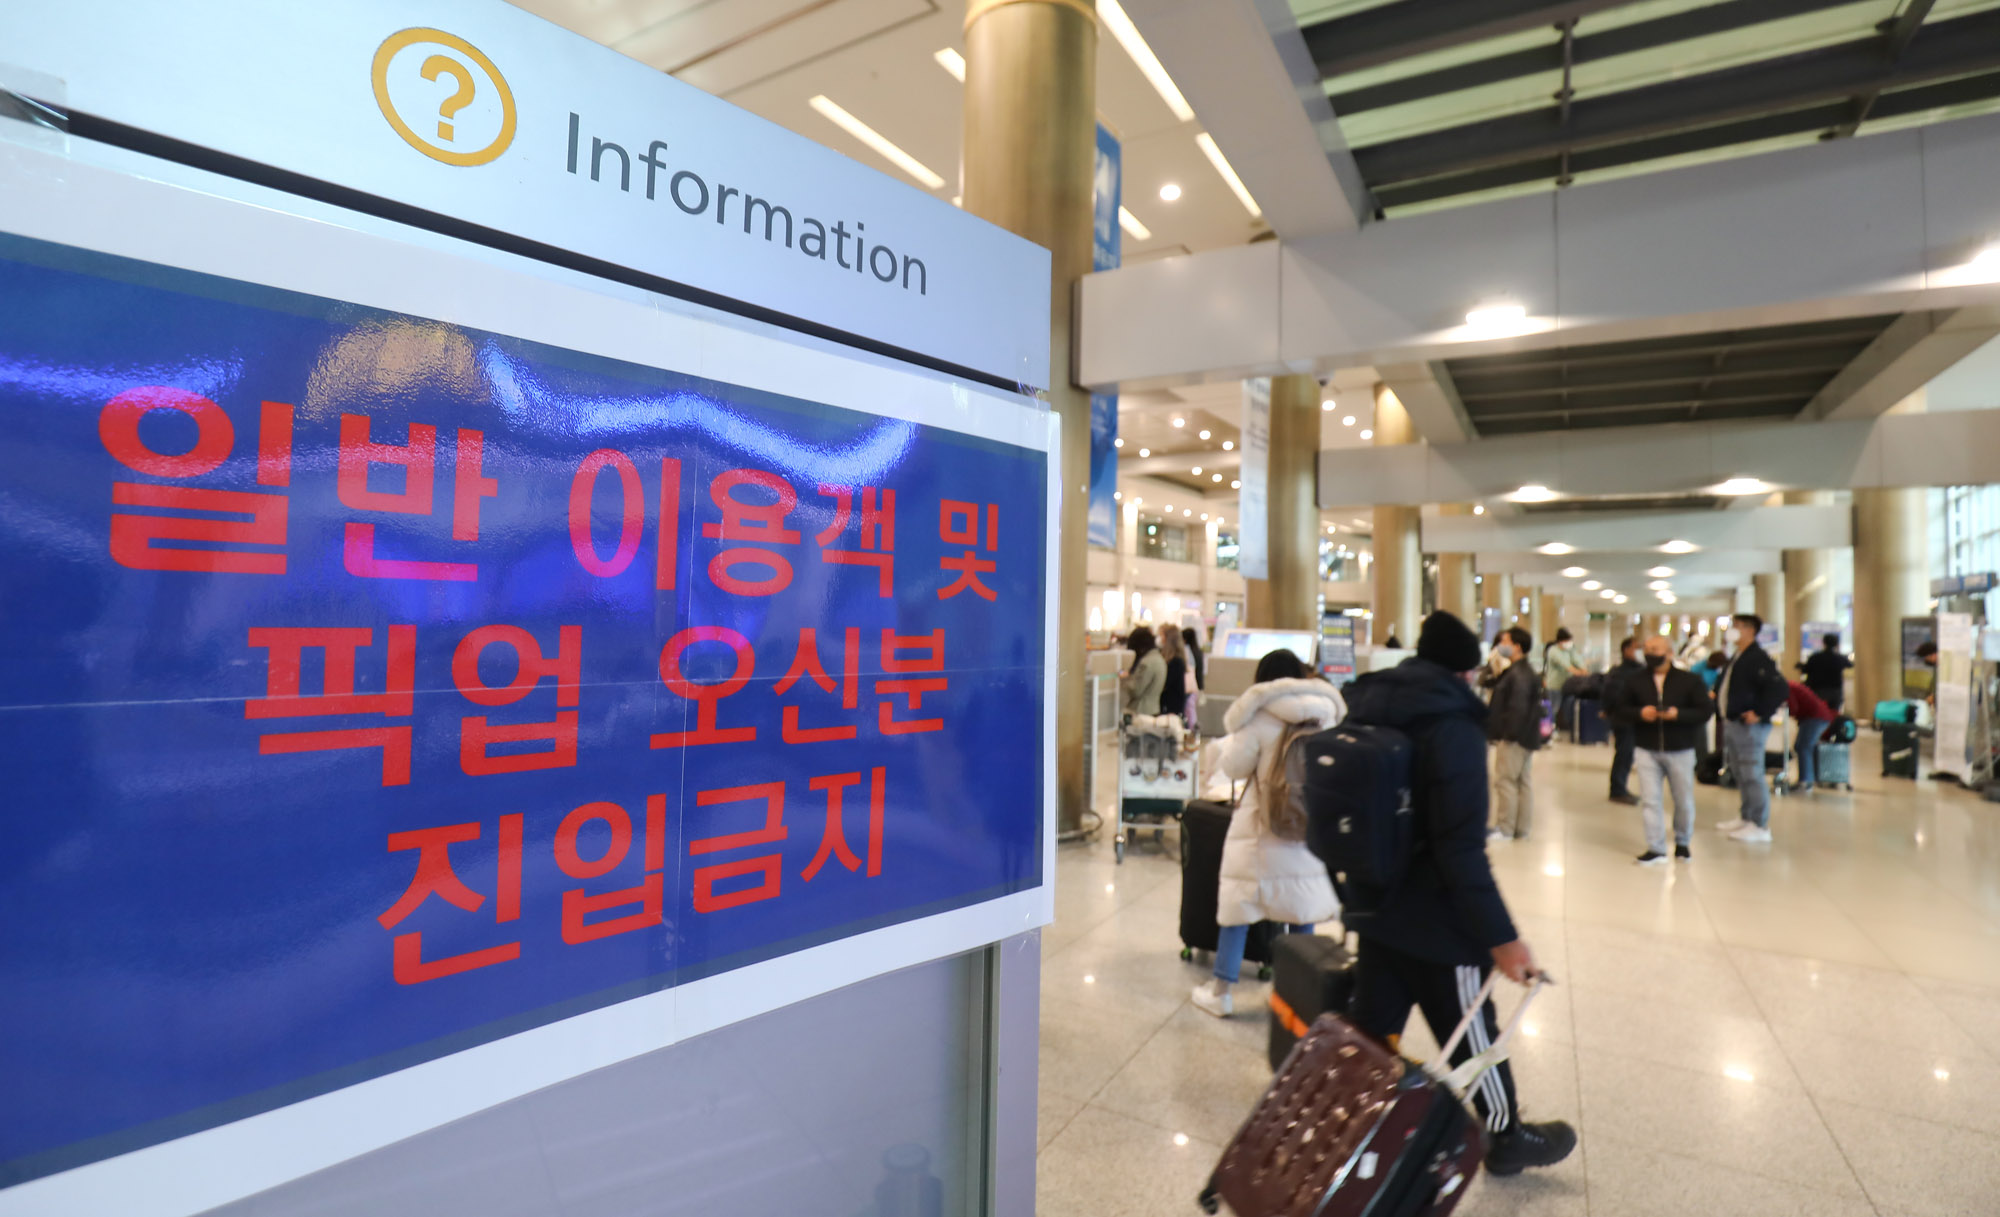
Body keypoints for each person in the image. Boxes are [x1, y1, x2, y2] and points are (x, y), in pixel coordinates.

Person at [1341, 611, 1577, 1175]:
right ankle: (1506, 1133)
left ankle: (1345, 1122)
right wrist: (1502, 939)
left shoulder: (1370, 704)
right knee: (1473, 1034)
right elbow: (1460, 848)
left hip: (1374, 904)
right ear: (1469, 670)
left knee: (1371, 1032)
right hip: (1439, 922)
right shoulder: (1453, 726)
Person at [1192, 649, 1343, 1018]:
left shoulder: (1259, 717)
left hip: (1262, 828)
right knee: (1301, 908)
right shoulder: (1323, 716)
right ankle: (1300, 995)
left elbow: (1233, 766)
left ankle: (1222, 991)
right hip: (1305, 827)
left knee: (1239, 906)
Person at [1607, 636, 1713, 865]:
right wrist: (1639, 713)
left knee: (1683, 800)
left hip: (1680, 749)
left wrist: (1678, 714)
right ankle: (1656, 847)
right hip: (1647, 748)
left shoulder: (1689, 680)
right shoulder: (1635, 680)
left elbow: (1705, 711)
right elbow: (1621, 709)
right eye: (1646, 649)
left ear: (1669, 652)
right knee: (1650, 801)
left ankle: (1683, 842)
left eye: (1655, 649)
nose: (1649, 653)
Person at [1715, 613, 1789, 843]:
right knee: (1740, 772)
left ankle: (1759, 824)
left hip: (1748, 727)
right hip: (1733, 723)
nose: (1732, 630)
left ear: (1750, 630)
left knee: (1751, 773)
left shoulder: (1757, 657)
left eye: (1736, 626)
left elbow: (1779, 689)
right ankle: (1747, 817)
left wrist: (1759, 712)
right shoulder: (1738, 656)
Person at [1482, 626, 1543, 841]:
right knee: (1522, 781)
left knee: (1506, 781)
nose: (1501, 645)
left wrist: (1508, 735)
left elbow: (1517, 708)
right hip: (1526, 736)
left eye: (1505, 641)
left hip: (1514, 737)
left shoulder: (1519, 675)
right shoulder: (1522, 671)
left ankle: (1505, 828)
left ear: (1517, 646)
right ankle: (1521, 828)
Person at [1607, 637, 1643, 805]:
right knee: (1624, 753)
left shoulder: (1639, 670)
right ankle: (1617, 790)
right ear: (1627, 650)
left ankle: (1620, 788)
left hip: (1632, 719)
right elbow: (1611, 695)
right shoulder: (1622, 672)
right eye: (1637, 648)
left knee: (1627, 755)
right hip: (1624, 720)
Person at [1786, 681, 1835, 793]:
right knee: (1801, 746)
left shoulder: (1787, 688)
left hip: (1815, 718)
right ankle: (1807, 779)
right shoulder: (1791, 685)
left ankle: (1806, 782)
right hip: (1818, 716)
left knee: (1804, 747)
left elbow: (1793, 708)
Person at [1799, 633, 1850, 713]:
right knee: (1834, 713)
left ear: (1824, 643)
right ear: (1836, 644)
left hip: (1819, 690)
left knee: (1819, 713)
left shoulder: (1815, 657)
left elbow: (1806, 670)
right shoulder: (1840, 658)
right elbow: (1850, 665)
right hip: (1835, 691)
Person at [1542, 628, 1582, 731]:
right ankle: (1551, 731)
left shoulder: (1569, 650)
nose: (1569, 643)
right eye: (1567, 640)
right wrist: (1577, 672)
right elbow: (1565, 664)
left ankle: (1568, 728)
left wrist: (1583, 669)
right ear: (1561, 640)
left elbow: (1577, 660)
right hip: (1554, 686)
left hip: (1567, 686)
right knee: (1553, 709)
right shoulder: (1553, 651)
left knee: (1568, 709)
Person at [1121, 625, 1164, 718]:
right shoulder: (1160, 659)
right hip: (1154, 709)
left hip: (1140, 712)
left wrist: (1125, 679)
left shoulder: (1146, 663)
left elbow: (1136, 690)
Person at [1157, 626, 1189, 723]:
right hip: (1171, 705)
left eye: (1161, 636)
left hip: (1171, 707)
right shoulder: (1176, 660)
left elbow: (1165, 683)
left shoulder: (1175, 662)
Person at [1181, 626, 1206, 691]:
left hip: (1189, 686)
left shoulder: (1187, 652)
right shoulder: (1198, 651)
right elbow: (1200, 672)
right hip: (1196, 685)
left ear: (1185, 639)